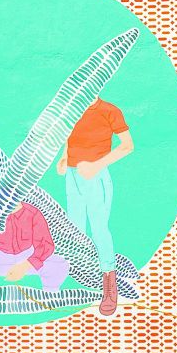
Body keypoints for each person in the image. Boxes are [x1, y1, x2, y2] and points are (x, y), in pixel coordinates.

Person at [56, 98, 134, 316]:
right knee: (75, 229)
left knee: (99, 230)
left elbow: (128, 145)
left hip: (96, 175)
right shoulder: (72, 108)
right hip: (72, 176)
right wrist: (64, 158)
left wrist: (96, 166)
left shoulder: (110, 110)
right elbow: (69, 138)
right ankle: (81, 283)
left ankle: (110, 284)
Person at [0, 202, 68, 292]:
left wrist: (24, 266)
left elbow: (45, 244)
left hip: (27, 257)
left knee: (60, 265)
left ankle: (50, 296)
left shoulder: (32, 213)